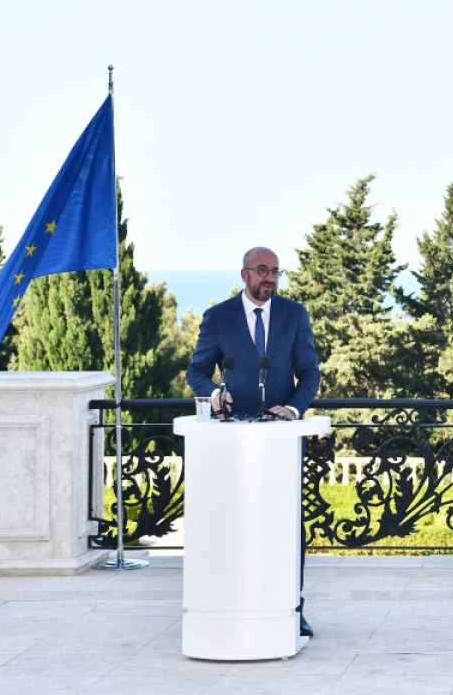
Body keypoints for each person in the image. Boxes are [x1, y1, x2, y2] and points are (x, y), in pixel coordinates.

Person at [186, 246, 321, 637]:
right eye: (262, 270)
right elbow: (197, 372)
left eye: (276, 271)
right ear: (244, 274)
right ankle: (235, 602)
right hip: (231, 442)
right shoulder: (218, 317)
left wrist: (292, 410)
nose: (270, 278)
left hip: (280, 441)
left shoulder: (294, 314)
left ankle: (292, 606)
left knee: (286, 524)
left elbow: (310, 373)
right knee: (233, 522)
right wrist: (214, 394)